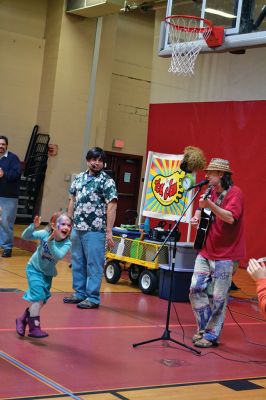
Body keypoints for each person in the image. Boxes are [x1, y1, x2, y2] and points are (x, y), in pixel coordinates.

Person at [189, 158, 245, 348]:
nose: (206, 176)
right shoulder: (209, 191)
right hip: (206, 250)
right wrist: (197, 216)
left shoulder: (235, 193)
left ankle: (212, 335)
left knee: (219, 298)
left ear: (221, 175)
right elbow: (201, 207)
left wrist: (210, 206)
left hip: (227, 254)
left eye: (210, 173)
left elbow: (230, 218)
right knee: (195, 289)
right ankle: (204, 329)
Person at [63, 147, 117, 309]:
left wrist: (109, 230)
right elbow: (72, 200)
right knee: (78, 262)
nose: (96, 163)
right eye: (94, 159)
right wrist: (68, 222)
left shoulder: (107, 181)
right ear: (87, 161)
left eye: (100, 160)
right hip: (77, 228)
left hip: (96, 230)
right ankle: (79, 293)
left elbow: (112, 206)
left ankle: (92, 297)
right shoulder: (78, 179)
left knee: (94, 264)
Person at [16, 212, 72, 338]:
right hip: (34, 269)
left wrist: (51, 241)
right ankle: (34, 328)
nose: (66, 227)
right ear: (53, 225)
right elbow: (25, 236)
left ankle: (22, 318)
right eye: (63, 224)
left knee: (41, 302)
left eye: (69, 225)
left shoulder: (67, 243)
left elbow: (58, 255)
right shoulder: (44, 234)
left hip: (47, 274)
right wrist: (33, 226)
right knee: (39, 298)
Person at [0, 135, 21, 257]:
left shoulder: (13, 158)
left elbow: (17, 174)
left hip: (8, 196)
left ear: (6, 145)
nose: (1, 146)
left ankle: (7, 247)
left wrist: (4, 174)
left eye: (3, 144)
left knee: (6, 223)